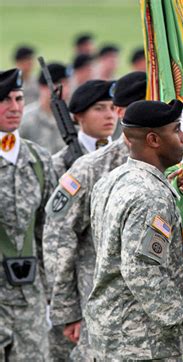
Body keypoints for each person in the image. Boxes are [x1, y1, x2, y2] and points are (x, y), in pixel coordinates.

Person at [85, 99, 183, 360]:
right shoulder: (150, 196)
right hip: (141, 343)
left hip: (111, 335)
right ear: (154, 140)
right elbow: (143, 274)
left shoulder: (112, 180)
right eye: (176, 130)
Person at [43, 71, 146, 361]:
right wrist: (63, 307)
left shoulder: (163, 160)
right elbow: (56, 232)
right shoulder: (80, 167)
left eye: (108, 107)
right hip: (92, 291)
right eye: (98, 108)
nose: (107, 115)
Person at [0, 68, 57, 360]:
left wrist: (50, 295)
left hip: (29, 299)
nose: (14, 107)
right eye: (5, 100)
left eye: (19, 99)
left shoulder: (38, 159)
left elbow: (48, 232)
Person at [52, 79, 117, 177]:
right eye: (99, 108)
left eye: (113, 108)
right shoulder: (59, 164)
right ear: (78, 116)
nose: (110, 115)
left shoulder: (128, 156)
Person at [20, 62, 71, 154]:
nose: (66, 90)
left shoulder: (72, 118)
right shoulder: (25, 119)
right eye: (61, 85)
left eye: (67, 84)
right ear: (43, 87)